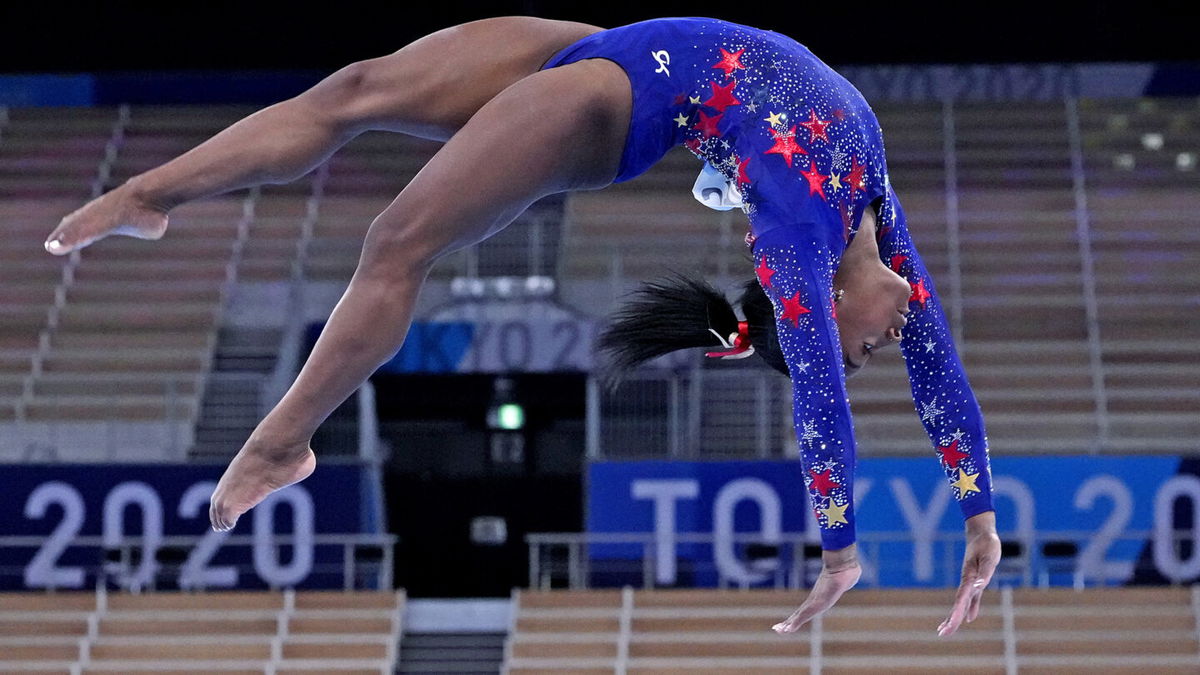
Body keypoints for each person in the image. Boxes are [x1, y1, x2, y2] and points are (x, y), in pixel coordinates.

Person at [42, 16, 999, 637]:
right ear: (833, 309)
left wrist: (838, 544)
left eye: (857, 349)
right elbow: (935, 378)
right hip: (615, 46)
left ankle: (279, 442)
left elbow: (830, 400)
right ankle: (146, 194)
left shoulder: (799, 238)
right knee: (352, 89)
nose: (885, 346)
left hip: (612, 108)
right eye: (863, 347)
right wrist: (981, 518)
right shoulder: (877, 223)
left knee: (397, 240)